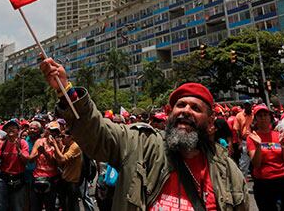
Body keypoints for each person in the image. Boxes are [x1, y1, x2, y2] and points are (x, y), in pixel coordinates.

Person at [40, 57, 250, 211]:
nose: (186, 110)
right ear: (169, 114)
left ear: (211, 123)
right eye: (181, 105)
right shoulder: (140, 143)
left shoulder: (228, 172)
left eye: (195, 108)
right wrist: (65, 90)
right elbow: (97, 133)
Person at [247, 104, 284, 211]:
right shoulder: (252, 137)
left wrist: (283, 145)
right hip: (264, 182)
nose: (263, 118)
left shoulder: (278, 135)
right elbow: (256, 164)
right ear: (255, 119)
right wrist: (258, 146)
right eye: (260, 116)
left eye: (266, 115)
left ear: (270, 117)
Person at [0, 119, 29, 211]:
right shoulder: (2, 144)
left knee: (17, 207)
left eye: (13, 127)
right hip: (4, 178)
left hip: (18, 179)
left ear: (18, 130)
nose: (11, 129)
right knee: (2, 207)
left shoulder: (22, 143)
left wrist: (19, 151)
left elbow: (26, 160)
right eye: (8, 128)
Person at [27, 121, 60, 211]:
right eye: (51, 130)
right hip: (37, 177)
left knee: (50, 206)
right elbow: (30, 159)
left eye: (55, 131)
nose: (53, 133)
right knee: (35, 206)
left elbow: (56, 162)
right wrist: (38, 153)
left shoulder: (58, 144)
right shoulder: (39, 141)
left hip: (51, 178)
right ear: (46, 130)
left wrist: (45, 152)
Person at [50, 129, 83, 210]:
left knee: (73, 206)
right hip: (65, 179)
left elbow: (63, 159)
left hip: (72, 181)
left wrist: (55, 145)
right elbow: (59, 162)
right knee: (65, 205)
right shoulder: (66, 147)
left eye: (63, 136)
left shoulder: (75, 146)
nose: (61, 138)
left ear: (70, 137)